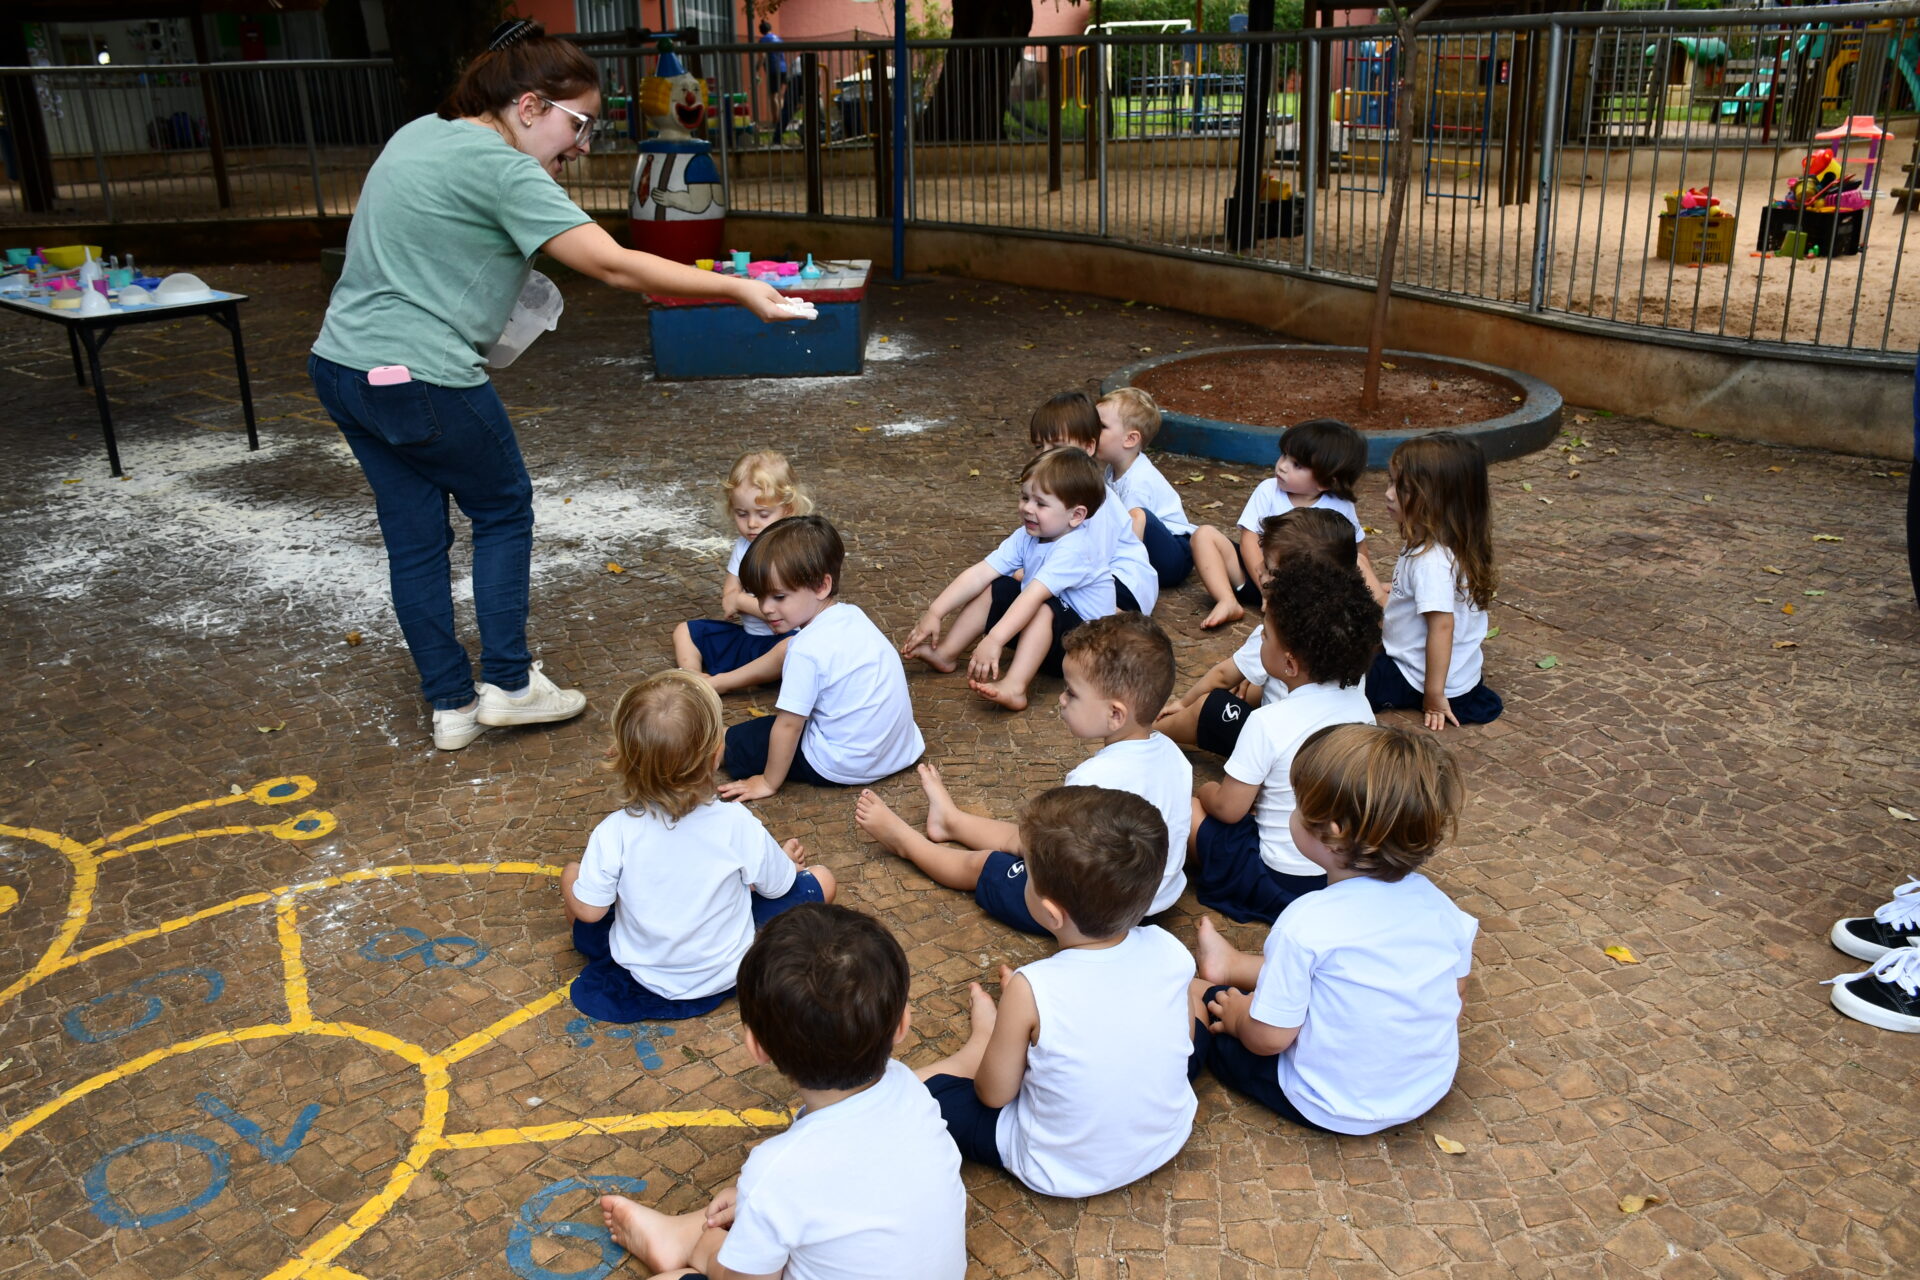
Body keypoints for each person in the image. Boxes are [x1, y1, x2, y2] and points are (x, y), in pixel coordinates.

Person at [309, 19, 795, 753]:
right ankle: (508, 685)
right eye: (580, 124)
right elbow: (613, 265)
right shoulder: (504, 168)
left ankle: (451, 706)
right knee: (503, 508)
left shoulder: (417, 135)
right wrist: (740, 289)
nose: (583, 145)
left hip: (342, 368)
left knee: (414, 543)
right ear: (529, 106)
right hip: (421, 376)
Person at [599, 904, 968, 1280]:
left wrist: (709, 1253)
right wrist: (752, 1203)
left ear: (756, 1046)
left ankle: (686, 1243)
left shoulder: (777, 1172)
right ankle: (684, 1235)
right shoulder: (909, 1089)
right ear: (902, 1024)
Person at [915, 787, 1202, 1197]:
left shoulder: (1030, 988)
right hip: (1165, 1138)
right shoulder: (1173, 952)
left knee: (936, 1097)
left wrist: (1007, 1030)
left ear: (1051, 913)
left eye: (1027, 873)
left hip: (1058, 1167)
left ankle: (981, 1045)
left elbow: (993, 1096)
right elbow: (1186, 1042)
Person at [1193, 722, 1478, 1134]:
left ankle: (1222, 980)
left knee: (1203, 999)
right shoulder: (1444, 910)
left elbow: (1269, 1040)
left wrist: (1238, 1018)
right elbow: (1455, 995)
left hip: (1330, 1101)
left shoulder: (1305, 923)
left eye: (1297, 803)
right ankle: (1233, 962)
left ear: (1332, 833)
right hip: (1425, 1087)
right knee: (1334, 975)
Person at [858, 613, 1192, 932]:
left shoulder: (1093, 780)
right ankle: (951, 821)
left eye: (1072, 693)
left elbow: (1055, 866)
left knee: (985, 864)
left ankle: (907, 843)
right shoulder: (1174, 755)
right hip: (1153, 902)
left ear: (1115, 714)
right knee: (1032, 834)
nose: (1061, 700)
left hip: (1095, 915)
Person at [561, 671, 835, 1023]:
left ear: (623, 758)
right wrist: (783, 862)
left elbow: (590, 914)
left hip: (645, 973)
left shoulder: (613, 832)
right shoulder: (736, 822)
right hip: (729, 970)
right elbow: (778, 886)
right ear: (716, 755)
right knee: (823, 879)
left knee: (573, 874)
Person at [1190, 558, 1381, 924]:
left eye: (1264, 635)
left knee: (1187, 811)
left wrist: (1208, 791)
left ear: (1289, 665)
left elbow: (1230, 810)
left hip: (1279, 880)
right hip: (1338, 877)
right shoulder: (1360, 704)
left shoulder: (1267, 722)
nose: (1260, 639)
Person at [718, 515, 924, 800]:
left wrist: (767, 782)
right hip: (899, 751)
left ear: (821, 586)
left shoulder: (806, 649)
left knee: (748, 738)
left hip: (845, 764)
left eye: (778, 597)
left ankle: (717, 746)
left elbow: (789, 725)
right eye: (759, 596)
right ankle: (721, 686)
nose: (765, 608)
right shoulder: (852, 615)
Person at [902, 446, 1113, 711]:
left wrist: (995, 640)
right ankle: (946, 653)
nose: (1027, 508)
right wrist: (935, 611)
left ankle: (1015, 686)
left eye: (1041, 503)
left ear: (1076, 515)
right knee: (999, 585)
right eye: (1025, 497)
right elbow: (980, 573)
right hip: (1049, 637)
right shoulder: (1028, 536)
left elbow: (1034, 596)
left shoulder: (1076, 549)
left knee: (1042, 606)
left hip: (1083, 651)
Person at [1157, 507, 1360, 755]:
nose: (1258, 569)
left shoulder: (1279, 630)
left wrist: (1182, 703)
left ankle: (1149, 735)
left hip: (1282, 752)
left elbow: (1222, 675)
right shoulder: (1355, 625)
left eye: (1268, 566)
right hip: (1332, 750)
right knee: (1250, 686)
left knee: (1208, 706)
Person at [1369, 432, 1503, 730]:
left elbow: (1442, 627)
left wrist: (1433, 694)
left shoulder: (1431, 561)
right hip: (1456, 673)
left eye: (1401, 487)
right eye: (1390, 481)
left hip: (1413, 675)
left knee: (1338, 682)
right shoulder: (1446, 545)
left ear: (1437, 500)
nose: (1389, 494)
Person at [1191, 419, 1377, 628]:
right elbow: (1249, 540)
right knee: (1204, 534)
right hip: (1257, 574)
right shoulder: (1268, 490)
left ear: (1326, 481)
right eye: (1284, 455)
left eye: (1296, 464)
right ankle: (1227, 600)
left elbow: (1357, 551)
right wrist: (1266, 588)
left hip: (1304, 589)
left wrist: (1371, 586)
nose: (1282, 466)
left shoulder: (1340, 506)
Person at [673, 451, 812, 693]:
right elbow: (729, 592)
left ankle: (721, 683)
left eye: (763, 514)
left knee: (791, 650)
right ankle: (694, 676)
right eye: (742, 514)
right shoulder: (743, 545)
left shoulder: (792, 549)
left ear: (787, 509)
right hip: (747, 637)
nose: (751, 524)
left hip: (781, 641)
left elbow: (785, 612)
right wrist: (735, 599)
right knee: (684, 631)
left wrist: (739, 600)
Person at [1028, 392, 1159, 618]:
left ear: (1088, 448)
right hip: (1094, 575)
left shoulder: (1095, 498)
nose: (1046, 454)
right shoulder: (1056, 491)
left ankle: (1119, 623)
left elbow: (1092, 561)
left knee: (1044, 598)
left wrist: (1032, 574)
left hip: (1124, 585)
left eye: (1057, 445)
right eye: (1040, 446)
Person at [1095, 388, 1200, 593]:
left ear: (1130, 439)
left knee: (1136, 516)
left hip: (1174, 556)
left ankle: (1123, 571)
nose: (1091, 432)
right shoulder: (1112, 469)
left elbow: (1130, 531)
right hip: (1155, 549)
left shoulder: (1138, 480)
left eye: (1101, 427)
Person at [757, 19, 796, 144]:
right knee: (780, 94)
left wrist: (756, 69)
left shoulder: (763, 40)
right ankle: (783, 118)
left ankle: (776, 120)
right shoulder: (779, 39)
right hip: (784, 68)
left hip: (773, 68)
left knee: (773, 94)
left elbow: (762, 56)